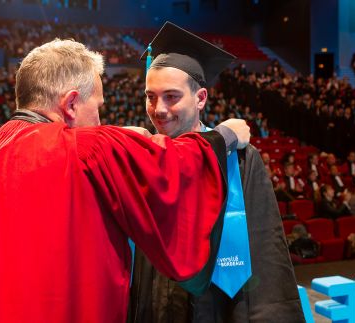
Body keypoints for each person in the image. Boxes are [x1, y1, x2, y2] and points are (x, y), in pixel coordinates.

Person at [0, 38, 251, 323]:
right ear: (72, 103)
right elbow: (175, 165)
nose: (101, 119)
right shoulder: (86, 149)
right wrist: (223, 136)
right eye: (99, 106)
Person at [128, 22, 303, 323]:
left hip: (219, 304)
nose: (158, 109)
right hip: (157, 305)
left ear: (201, 99)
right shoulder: (144, 156)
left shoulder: (240, 158)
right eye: (150, 96)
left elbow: (264, 249)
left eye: (171, 96)